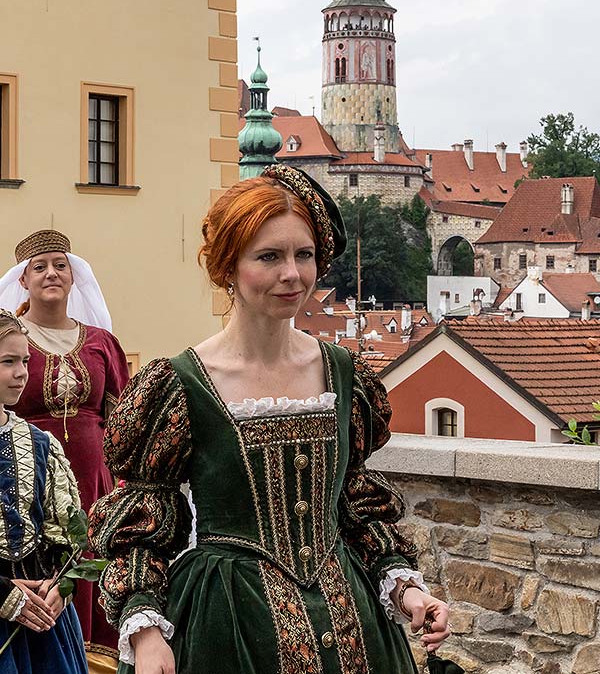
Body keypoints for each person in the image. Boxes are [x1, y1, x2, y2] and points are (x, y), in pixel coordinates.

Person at [89, 165, 450, 674]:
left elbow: (355, 502)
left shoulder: (344, 374)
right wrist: (147, 632)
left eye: (304, 255)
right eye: (269, 257)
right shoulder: (180, 385)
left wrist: (408, 589)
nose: (293, 274)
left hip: (352, 621)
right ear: (227, 268)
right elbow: (143, 527)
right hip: (226, 627)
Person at [0, 229, 130, 672]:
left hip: (95, 483)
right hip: (26, 478)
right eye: (40, 266)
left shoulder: (100, 342)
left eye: (60, 265)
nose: (52, 274)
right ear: (23, 279)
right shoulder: (13, 339)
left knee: (89, 558)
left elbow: (122, 425)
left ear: (75, 276)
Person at [0, 309, 88, 674]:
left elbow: (69, 537)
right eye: (7, 362)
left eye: (25, 360)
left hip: (42, 630)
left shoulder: (41, 445)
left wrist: (61, 587)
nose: (22, 372)